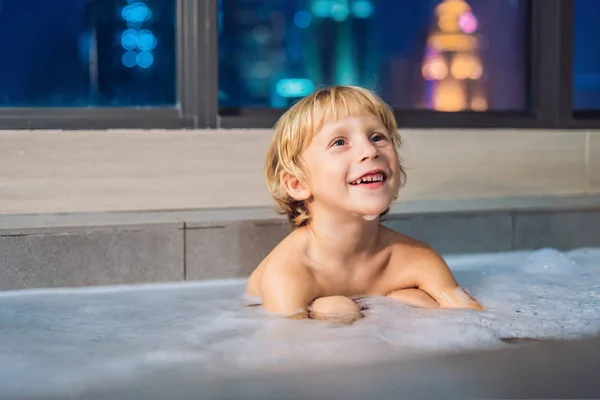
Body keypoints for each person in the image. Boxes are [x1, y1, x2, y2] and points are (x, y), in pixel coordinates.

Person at [246, 86, 482, 324]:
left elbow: (475, 321)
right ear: (298, 183)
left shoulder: (418, 259)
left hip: (381, 338)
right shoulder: (290, 274)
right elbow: (284, 351)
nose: (370, 151)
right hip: (275, 317)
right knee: (334, 308)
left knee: (413, 300)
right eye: (339, 142)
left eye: (377, 138)